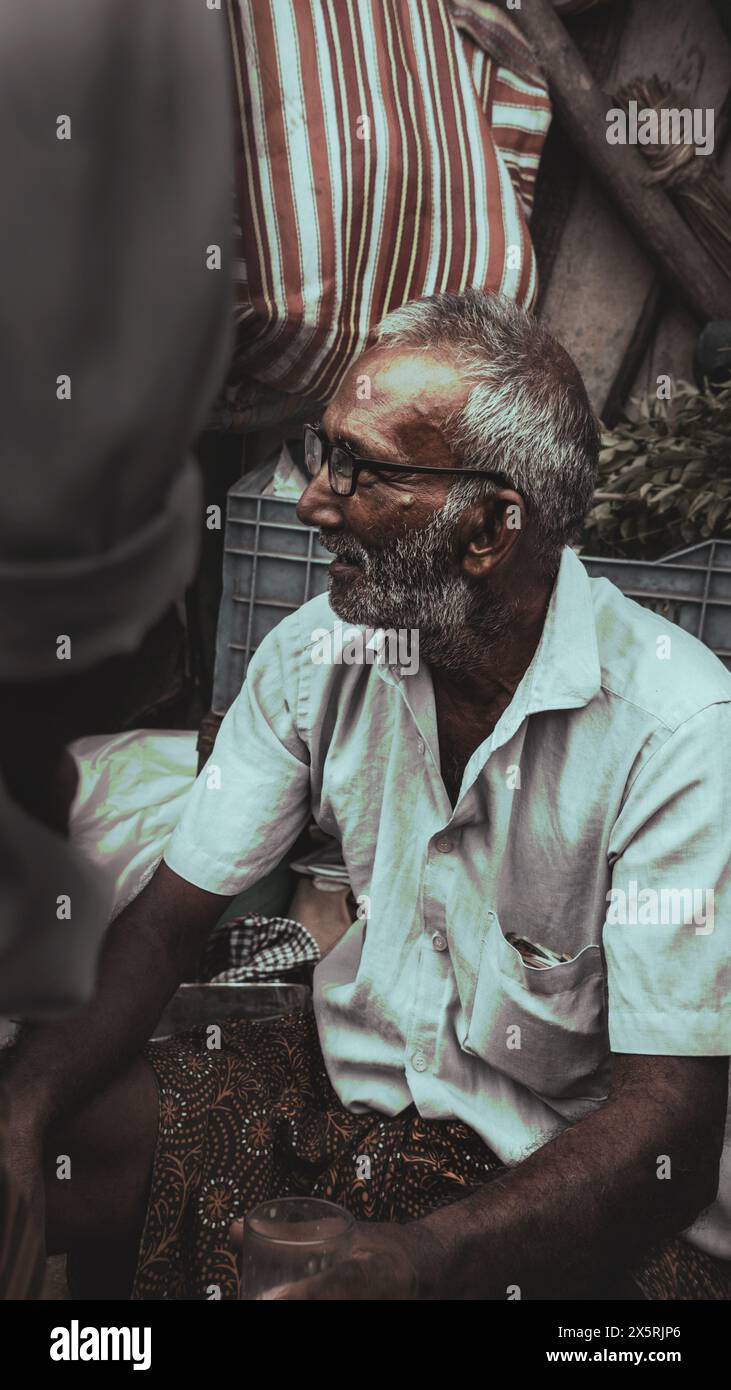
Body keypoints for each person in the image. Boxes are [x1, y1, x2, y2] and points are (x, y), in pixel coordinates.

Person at [4, 291, 730, 1301]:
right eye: (323, 453)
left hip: (553, 1169)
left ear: (485, 528)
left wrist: (420, 1261)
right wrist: (21, 1105)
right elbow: (166, 926)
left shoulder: (676, 728)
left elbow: (670, 1132)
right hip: (343, 1103)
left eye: (361, 468)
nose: (314, 499)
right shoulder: (316, 655)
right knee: (46, 1139)